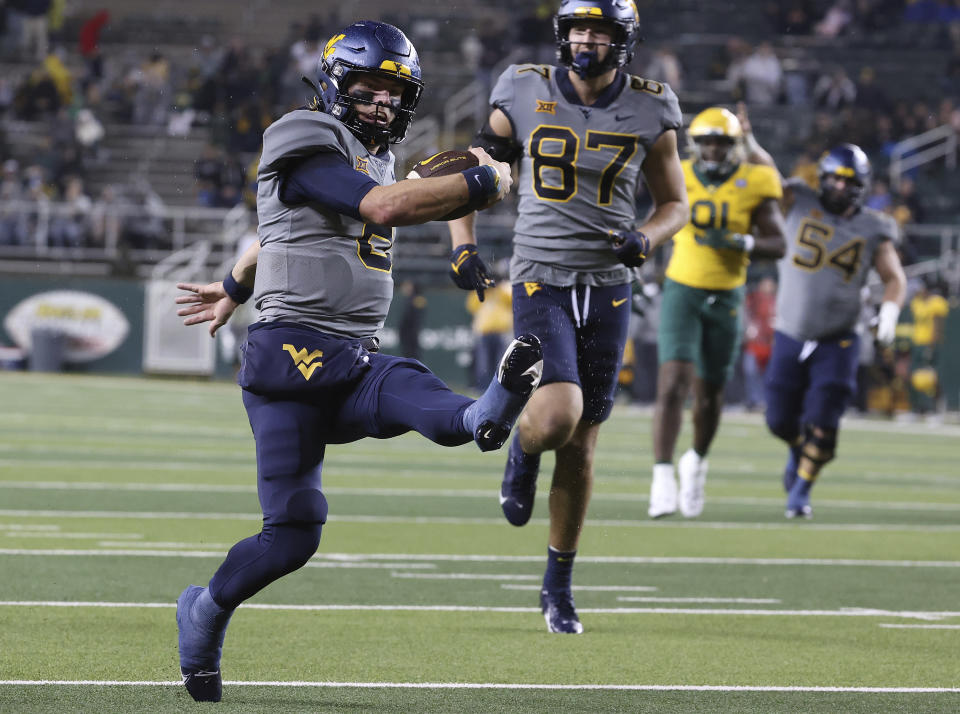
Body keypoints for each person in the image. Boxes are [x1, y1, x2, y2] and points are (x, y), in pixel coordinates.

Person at [171, 21, 544, 703]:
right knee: (293, 535)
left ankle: (485, 414)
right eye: (366, 87)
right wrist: (479, 184)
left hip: (347, 356)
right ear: (333, 84)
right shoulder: (302, 135)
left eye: (391, 91)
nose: (377, 102)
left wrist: (229, 289)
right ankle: (203, 613)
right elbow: (382, 207)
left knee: (403, 385)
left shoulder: (367, 159)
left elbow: (272, 230)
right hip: (289, 357)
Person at [448, 0, 689, 634]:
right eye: (579, 28)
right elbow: (472, 170)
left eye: (601, 30)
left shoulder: (652, 104)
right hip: (540, 278)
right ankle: (522, 450)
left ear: (622, 39)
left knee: (582, 447)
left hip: (609, 287)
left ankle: (558, 584)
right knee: (556, 418)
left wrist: (648, 238)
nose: (587, 40)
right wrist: (462, 243)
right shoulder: (523, 87)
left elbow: (676, 204)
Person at [743, 131, 907, 519]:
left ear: (861, 185)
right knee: (779, 419)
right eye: (834, 177)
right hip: (790, 330)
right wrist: (750, 142)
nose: (839, 185)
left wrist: (889, 313)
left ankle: (801, 490)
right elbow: (769, 175)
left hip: (839, 337)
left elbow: (895, 278)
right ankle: (798, 453)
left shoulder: (873, 226)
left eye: (848, 181)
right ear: (822, 176)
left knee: (826, 419)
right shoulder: (798, 199)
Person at [648, 106, 786, 519]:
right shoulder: (681, 173)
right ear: (694, 143)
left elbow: (778, 243)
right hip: (682, 289)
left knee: (709, 397)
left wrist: (741, 243)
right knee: (672, 383)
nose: (711, 149)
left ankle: (697, 462)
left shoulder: (755, 179)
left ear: (734, 144)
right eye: (706, 141)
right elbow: (656, 217)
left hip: (727, 295)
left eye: (721, 142)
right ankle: (661, 475)